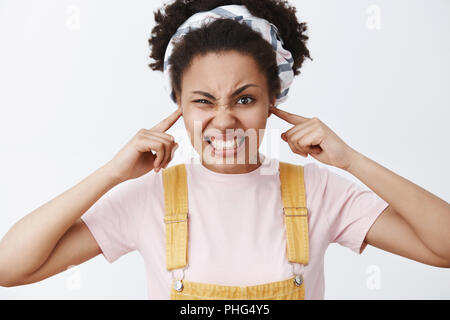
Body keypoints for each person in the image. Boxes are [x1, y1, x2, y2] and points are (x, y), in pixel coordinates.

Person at [0, 0, 449, 300]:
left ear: (275, 99)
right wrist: (110, 174)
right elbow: (10, 268)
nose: (224, 119)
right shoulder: (148, 196)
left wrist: (351, 160)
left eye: (245, 98)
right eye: (202, 101)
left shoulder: (319, 191)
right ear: (177, 104)